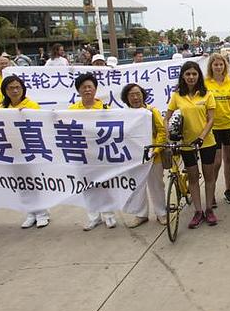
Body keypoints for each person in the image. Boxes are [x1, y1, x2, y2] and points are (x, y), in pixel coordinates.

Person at [166, 60, 218, 228]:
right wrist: (170, 136)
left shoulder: (207, 94)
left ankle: (209, 209)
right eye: (187, 74)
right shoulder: (177, 96)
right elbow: (167, 118)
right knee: (193, 177)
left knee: (209, 176)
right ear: (183, 76)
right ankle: (198, 211)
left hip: (207, 142)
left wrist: (201, 137)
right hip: (186, 144)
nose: (191, 77)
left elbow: (211, 119)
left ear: (199, 76)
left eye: (194, 74)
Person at [67, 73, 119, 230]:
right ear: (78, 90)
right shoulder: (71, 110)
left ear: (95, 89)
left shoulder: (105, 108)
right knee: (87, 186)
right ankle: (93, 217)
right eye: (83, 87)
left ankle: (109, 215)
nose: (87, 90)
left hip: (101, 153)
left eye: (90, 87)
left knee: (105, 184)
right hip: (82, 154)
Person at [0, 76, 50, 228]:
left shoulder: (31, 105)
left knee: (34, 182)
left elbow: (42, 125)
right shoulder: (1, 108)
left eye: (18, 87)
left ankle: (42, 213)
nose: (15, 91)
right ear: (5, 91)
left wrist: (27, 115)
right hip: (12, 151)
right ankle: (30, 213)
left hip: (30, 150)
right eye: (11, 88)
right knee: (22, 183)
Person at [121, 83, 168, 228]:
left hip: (154, 156)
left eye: (138, 94)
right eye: (131, 95)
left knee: (156, 185)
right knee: (137, 187)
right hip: (134, 157)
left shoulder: (152, 111)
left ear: (143, 95)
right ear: (126, 98)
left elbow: (162, 131)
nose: (135, 97)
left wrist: (156, 149)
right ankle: (141, 214)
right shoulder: (125, 115)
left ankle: (161, 213)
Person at [206, 53, 230, 207]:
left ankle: (228, 190)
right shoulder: (206, 83)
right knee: (216, 162)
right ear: (211, 66)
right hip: (213, 127)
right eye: (216, 65)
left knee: (228, 159)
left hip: (229, 125)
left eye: (221, 64)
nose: (218, 67)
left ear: (225, 66)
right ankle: (211, 192)